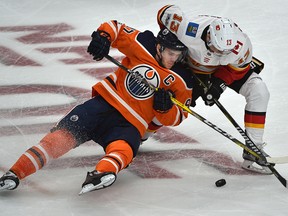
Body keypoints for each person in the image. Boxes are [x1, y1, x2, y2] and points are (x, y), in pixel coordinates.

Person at [0, 21, 193, 194]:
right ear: (159, 47)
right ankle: (14, 174)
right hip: (101, 106)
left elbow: (179, 116)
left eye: (178, 55)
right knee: (59, 139)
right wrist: (103, 37)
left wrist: (165, 108)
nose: (173, 60)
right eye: (170, 54)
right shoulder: (144, 44)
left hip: (131, 124)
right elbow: (115, 28)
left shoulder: (183, 78)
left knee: (124, 149)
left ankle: (102, 173)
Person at [156, 5, 271, 174]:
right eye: (218, 50)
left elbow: (236, 68)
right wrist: (172, 47)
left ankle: (253, 147)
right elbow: (163, 13)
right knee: (169, 100)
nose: (221, 55)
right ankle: (142, 131)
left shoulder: (241, 45)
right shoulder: (187, 29)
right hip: (191, 68)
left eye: (226, 51)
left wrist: (218, 84)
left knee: (259, 90)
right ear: (209, 37)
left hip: (223, 71)